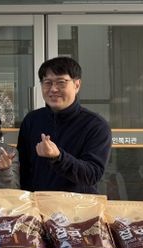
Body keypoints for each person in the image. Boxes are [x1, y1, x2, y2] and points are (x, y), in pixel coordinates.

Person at [17, 57, 111, 194]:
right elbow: (23, 169)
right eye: (47, 83)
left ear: (77, 85)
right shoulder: (32, 120)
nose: (53, 89)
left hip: (78, 206)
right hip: (37, 204)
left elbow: (92, 175)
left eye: (61, 82)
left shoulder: (95, 125)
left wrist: (58, 157)